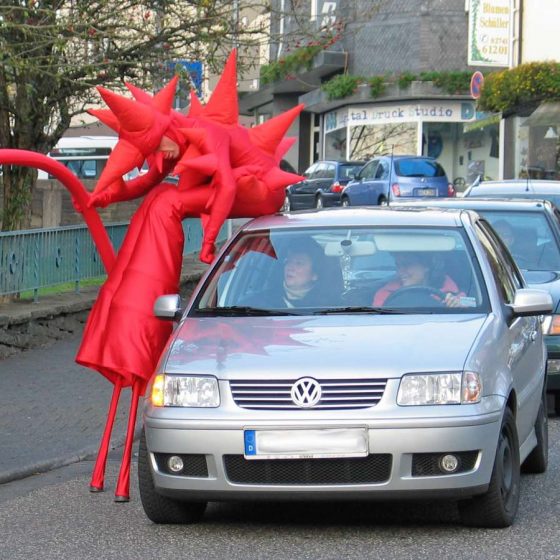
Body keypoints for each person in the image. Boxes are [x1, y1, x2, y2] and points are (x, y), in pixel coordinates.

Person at [246, 238, 336, 308]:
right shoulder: (259, 302)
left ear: (314, 275)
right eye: (288, 261)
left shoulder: (330, 305)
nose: (290, 267)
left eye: (299, 263)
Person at [373, 252, 463, 307]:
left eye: (406, 264)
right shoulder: (384, 294)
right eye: (398, 265)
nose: (400, 272)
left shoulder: (453, 295)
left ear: (427, 265)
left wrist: (457, 308)